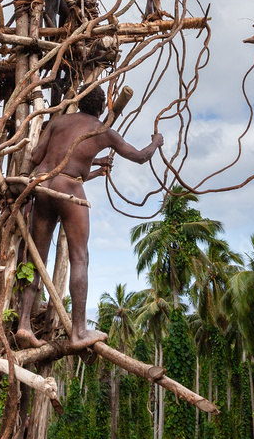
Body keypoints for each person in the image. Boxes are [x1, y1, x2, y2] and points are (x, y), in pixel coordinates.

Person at [15, 87, 164, 351]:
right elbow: (140, 156)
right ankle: (79, 331)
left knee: (35, 258)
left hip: (42, 186)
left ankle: (24, 324)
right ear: (103, 107)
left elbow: (37, 156)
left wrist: (93, 164)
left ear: (80, 103)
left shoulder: (59, 121)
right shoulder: (102, 130)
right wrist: (156, 141)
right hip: (69, 188)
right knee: (79, 257)